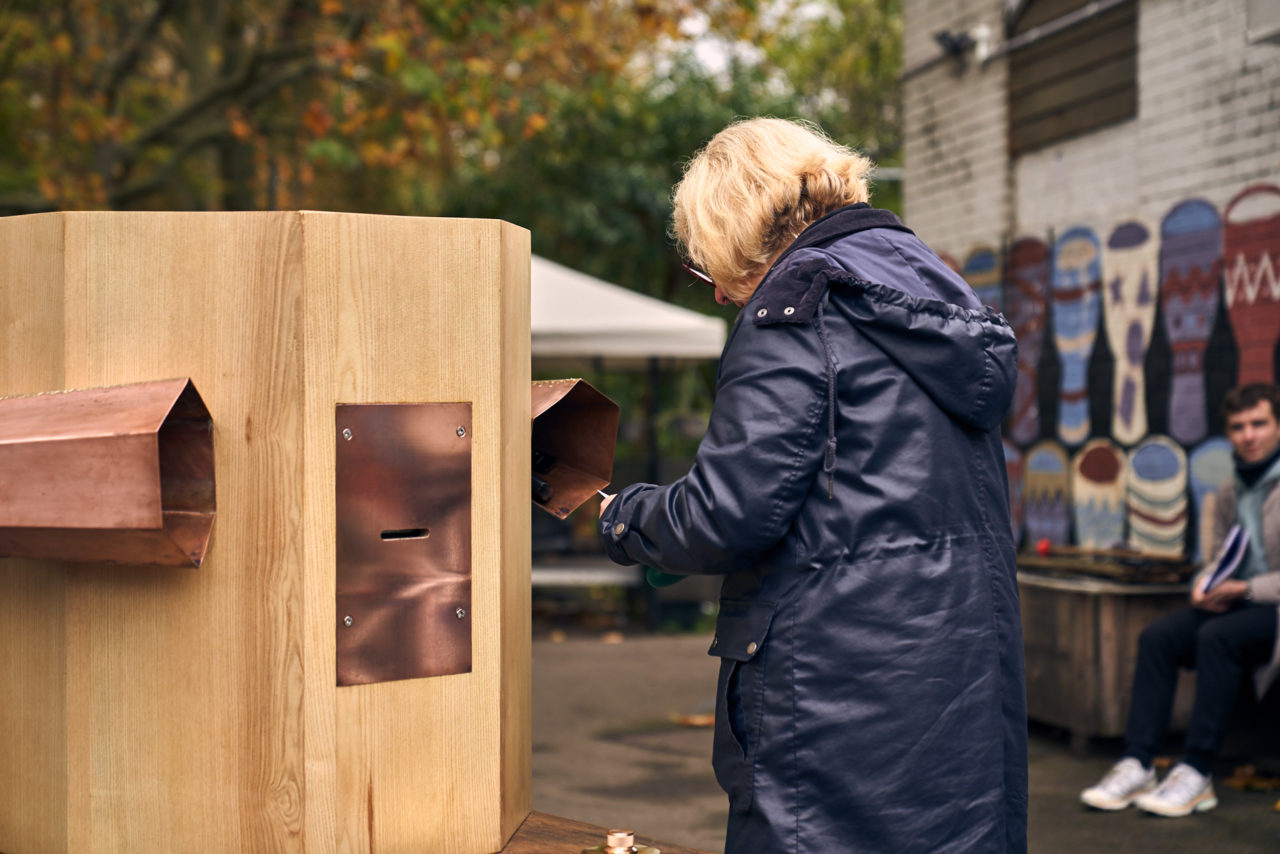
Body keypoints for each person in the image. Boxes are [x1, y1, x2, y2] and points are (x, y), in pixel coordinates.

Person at [597, 117, 1028, 854]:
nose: (725, 296)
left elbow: (726, 515)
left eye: (711, 273)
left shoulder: (795, 309)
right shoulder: (933, 285)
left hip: (834, 696)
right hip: (959, 680)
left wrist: (620, 515)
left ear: (733, 227)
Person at [1080, 383, 1280, 817]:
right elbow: (1216, 559)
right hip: (1235, 603)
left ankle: (1197, 771)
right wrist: (1205, 583)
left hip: (1271, 608)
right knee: (1159, 637)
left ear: (1277, 425)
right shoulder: (1231, 489)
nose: (1249, 435)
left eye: (1259, 423)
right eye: (1238, 427)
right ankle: (1138, 762)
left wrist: (1244, 589)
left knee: (1217, 638)